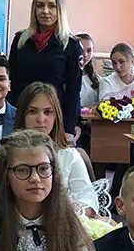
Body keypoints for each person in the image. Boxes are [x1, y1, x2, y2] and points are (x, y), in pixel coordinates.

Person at [7, 0, 84, 141]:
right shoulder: (20, 40)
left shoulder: (71, 45)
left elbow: (73, 91)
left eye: (51, 6)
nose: (45, 11)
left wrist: (69, 129)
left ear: (60, 10)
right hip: (22, 115)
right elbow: (12, 83)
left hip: (53, 119)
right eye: (40, 6)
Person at [14, 82, 101, 217]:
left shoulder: (69, 155)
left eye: (48, 112)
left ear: (57, 116)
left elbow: (88, 199)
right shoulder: (8, 154)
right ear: (22, 115)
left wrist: (74, 209)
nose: (41, 119)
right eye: (33, 112)